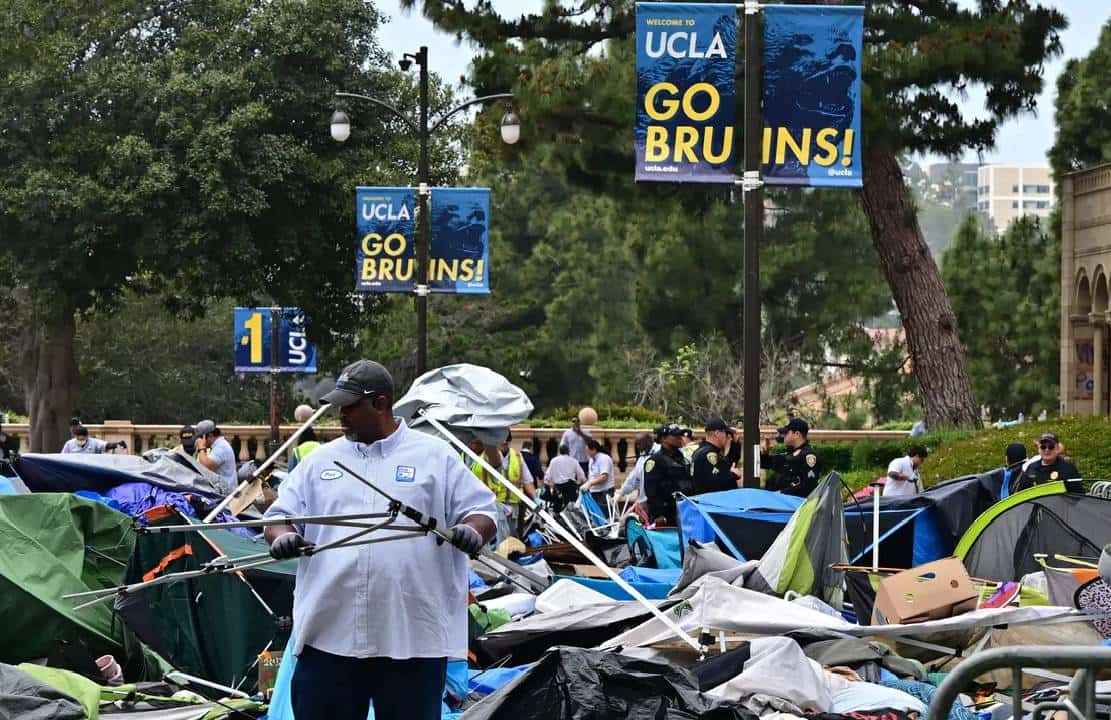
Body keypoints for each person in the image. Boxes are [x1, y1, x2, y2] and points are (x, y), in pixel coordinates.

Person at [263, 359, 497, 720]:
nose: (341, 414)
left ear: (382, 403)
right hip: (329, 636)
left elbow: (483, 511)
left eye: (350, 405)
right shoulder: (319, 462)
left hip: (411, 638)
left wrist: (471, 530)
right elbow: (280, 517)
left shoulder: (435, 457)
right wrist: (283, 537)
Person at [643, 424, 691, 526]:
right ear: (664, 438)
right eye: (675, 436)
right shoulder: (655, 461)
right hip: (667, 514)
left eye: (680, 435)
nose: (679, 438)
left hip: (685, 510)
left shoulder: (683, 459)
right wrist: (658, 515)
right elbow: (651, 491)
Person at [761, 418, 819, 497]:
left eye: (786, 433)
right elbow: (765, 463)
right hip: (780, 502)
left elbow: (808, 487)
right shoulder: (790, 454)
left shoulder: (808, 455)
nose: (783, 435)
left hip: (794, 505)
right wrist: (765, 452)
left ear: (797, 434)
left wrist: (781, 493)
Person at [1012, 432, 1081, 493]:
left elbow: (1078, 496)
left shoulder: (1068, 468)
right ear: (1039, 448)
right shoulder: (1031, 468)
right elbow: (1022, 494)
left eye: (1051, 447)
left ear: (1057, 448)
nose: (1047, 450)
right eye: (1043, 447)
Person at [691, 418, 741, 495]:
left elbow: (727, 463)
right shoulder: (709, 454)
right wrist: (733, 475)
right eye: (725, 433)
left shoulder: (706, 451)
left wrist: (735, 443)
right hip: (710, 503)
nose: (727, 437)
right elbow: (716, 481)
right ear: (717, 433)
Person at [194, 420, 237, 491]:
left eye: (201, 437)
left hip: (225, 493)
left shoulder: (221, 448)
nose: (199, 440)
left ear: (210, 435)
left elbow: (206, 467)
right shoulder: (218, 445)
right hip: (221, 489)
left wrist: (201, 447)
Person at [544, 443, 585, 512]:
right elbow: (582, 476)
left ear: (559, 451)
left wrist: (552, 484)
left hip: (558, 489)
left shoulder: (554, 461)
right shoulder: (573, 461)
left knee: (557, 509)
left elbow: (547, 478)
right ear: (568, 451)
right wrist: (579, 482)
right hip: (570, 488)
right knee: (570, 510)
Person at [616, 432, 653, 505]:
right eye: (637, 444)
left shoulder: (659, 453)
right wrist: (622, 491)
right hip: (644, 500)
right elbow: (633, 477)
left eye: (639, 444)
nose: (638, 447)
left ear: (648, 442)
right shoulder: (642, 457)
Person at [583, 439, 615, 510]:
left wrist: (590, 483)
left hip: (604, 491)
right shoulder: (591, 460)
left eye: (588, 450)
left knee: (605, 515)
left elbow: (604, 477)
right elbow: (592, 475)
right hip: (595, 491)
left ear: (593, 450)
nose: (586, 452)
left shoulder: (604, 458)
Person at [62, 426, 127, 454]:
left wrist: (117, 444)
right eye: (79, 439)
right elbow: (62, 458)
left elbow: (106, 445)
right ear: (75, 436)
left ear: (87, 436)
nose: (81, 441)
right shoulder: (69, 444)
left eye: (83, 439)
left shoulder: (94, 443)